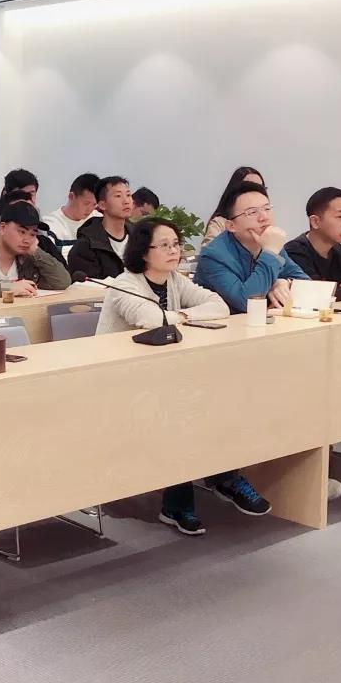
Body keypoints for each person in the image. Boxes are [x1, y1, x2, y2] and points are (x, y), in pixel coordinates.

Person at [94, 220, 231, 534]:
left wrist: (181, 315)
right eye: (164, 245)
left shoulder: (175, 280)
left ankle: (225, 477)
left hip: (160, 375)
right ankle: (178, 504)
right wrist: (180, 317)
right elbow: (150, 319)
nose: (174, 251)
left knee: (215, 400)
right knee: (181, 415)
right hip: (117, 379)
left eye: (176, 244)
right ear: (144, 252)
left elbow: (219, 306)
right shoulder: (125, 284)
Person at [194, 182, 308, 312]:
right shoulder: (213, 256)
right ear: (231, 226)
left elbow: (310, 286)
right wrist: (270, 253)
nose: (264, 217)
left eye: (267, 209)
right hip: (220, 323)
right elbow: (247, 302)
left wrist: (285, 282)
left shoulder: (269, 242)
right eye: (252, 212)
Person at [0, 201, 71, 298]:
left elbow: (62, 282)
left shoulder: (29, 256)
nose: (27, 240)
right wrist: (8, 287)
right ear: (2, 228)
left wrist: (37, 253)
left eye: (32, 234)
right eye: (22, 232)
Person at [68, 176, 135, 280]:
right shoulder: (85, 246)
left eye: (128, 195)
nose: (126, 201)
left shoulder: (140, 238)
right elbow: (90, 286)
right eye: (118, 196)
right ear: (102, 205)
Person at [203, 166, 265, 247]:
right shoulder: (220, 223)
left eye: (260, 188)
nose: (257, 193)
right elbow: (209, 252)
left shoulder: (264, 219)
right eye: (249, 188)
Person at [0, 169, 40, 235]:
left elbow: (43, 238)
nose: (28, 199)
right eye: (23, 194)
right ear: (8, 194)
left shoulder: (35, 211)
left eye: (32, 193)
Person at [42, 173, 100, 242]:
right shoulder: (51, 223)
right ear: (71, 196)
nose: (90, 209)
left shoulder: (99, 219)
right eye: (86, 203)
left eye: (94, 204)